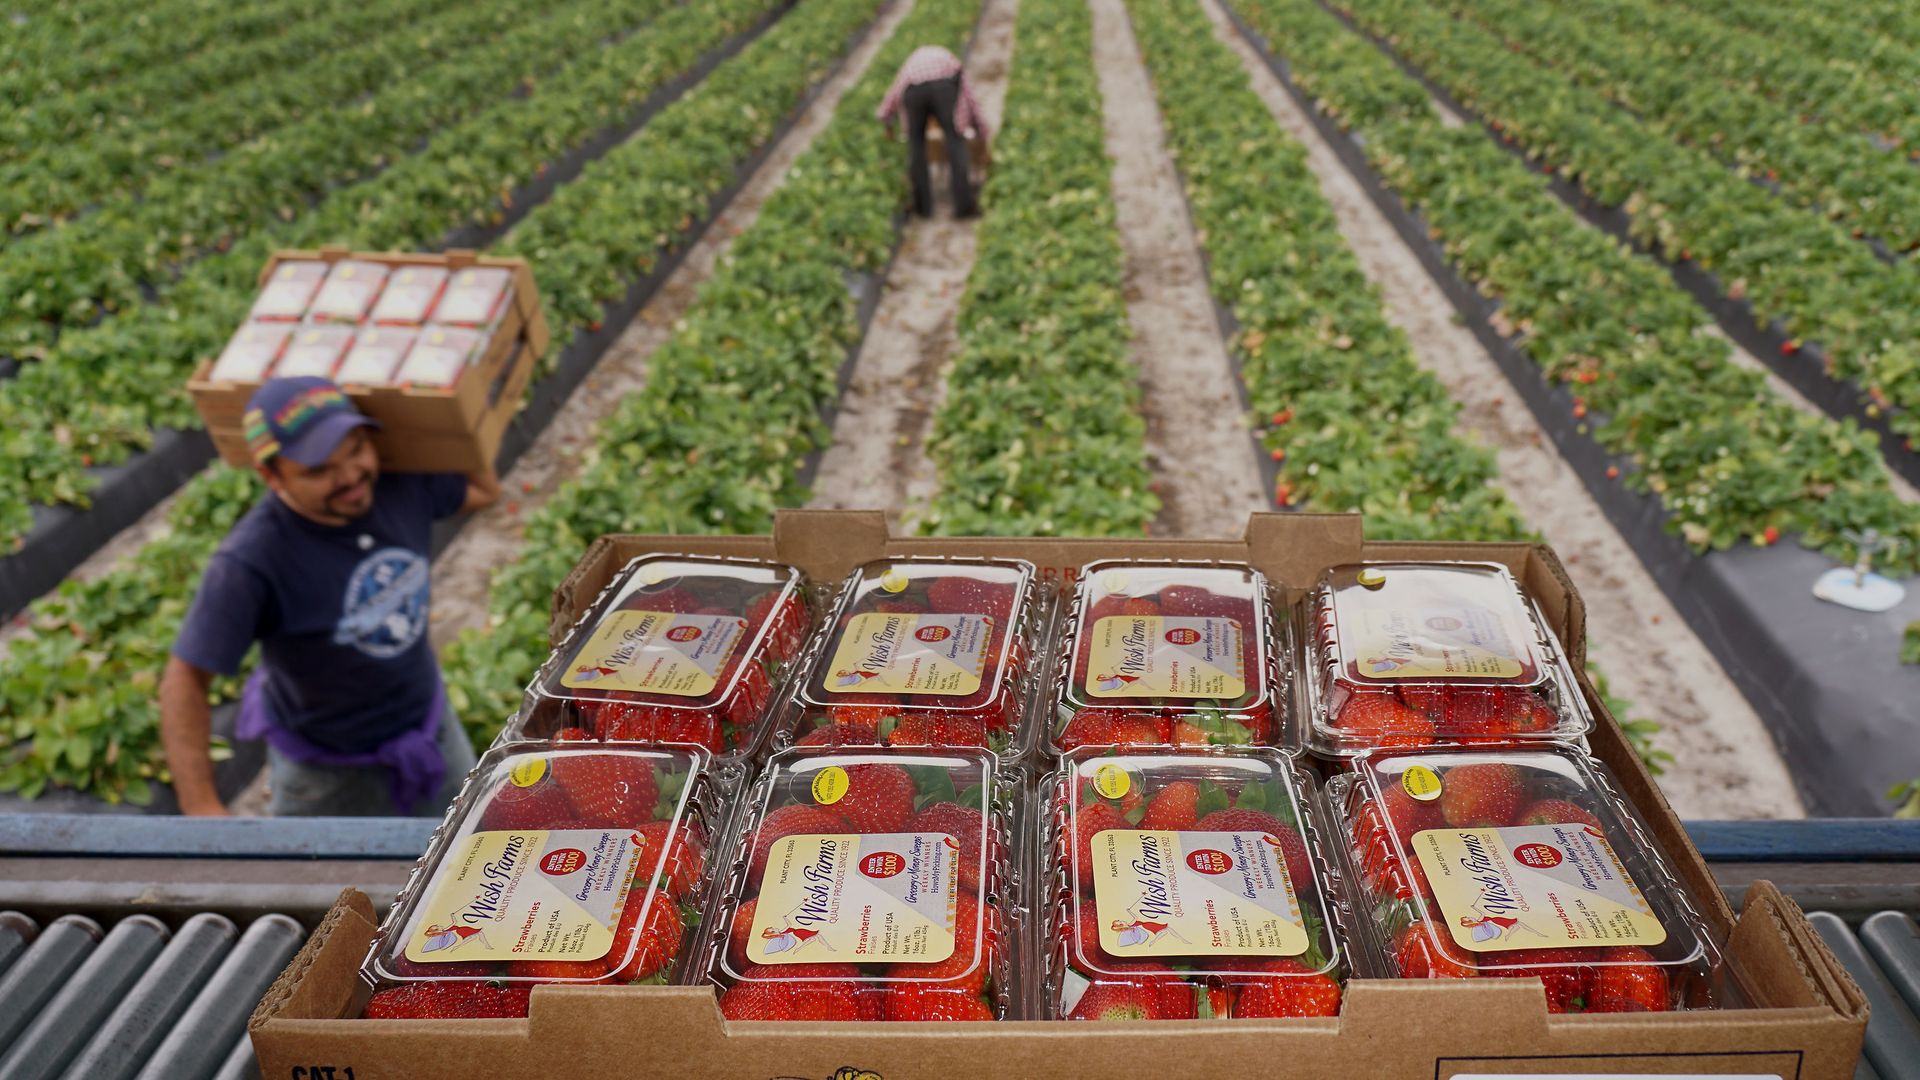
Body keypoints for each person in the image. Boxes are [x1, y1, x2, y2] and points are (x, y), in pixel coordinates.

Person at [160, 377, 500, 817]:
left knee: (466, 853)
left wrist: (447, 418)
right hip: (326, 774)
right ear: (272, 476)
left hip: (429, 729)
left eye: (356, 449)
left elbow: (486, 491)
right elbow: (184, 678)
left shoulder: (400, 486)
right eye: (318, 470)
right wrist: (202, 806)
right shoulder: (252, 562)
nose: (351, 477)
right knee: (327, 886)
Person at [876, 45, 988, 218]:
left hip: (914, 90)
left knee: (916, 146)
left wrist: (886, 119)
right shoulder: (950, 61)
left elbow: (896, 90)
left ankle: (922, 208)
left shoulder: (912, 63)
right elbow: (970, 98)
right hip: (944, 86)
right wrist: (982, 134)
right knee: (955, 141)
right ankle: (964, 207)